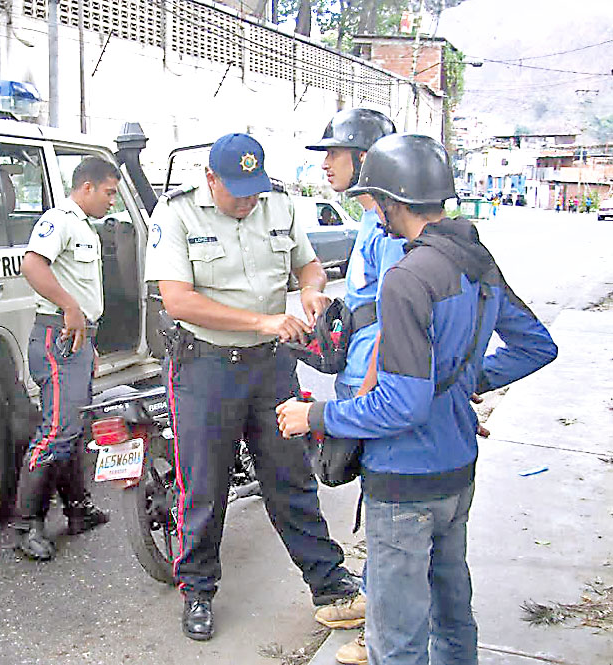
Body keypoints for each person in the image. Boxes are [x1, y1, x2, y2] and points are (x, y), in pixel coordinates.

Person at [277, 134, 557, 665]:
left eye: (375, 197)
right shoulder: (476, 260)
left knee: (398, 640)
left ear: (392, 201)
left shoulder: (405, 278)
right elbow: (536, 346)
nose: (373, 208)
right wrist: (465, 379)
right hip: (457, 472)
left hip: (406, 485)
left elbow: (401, 405)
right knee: (452, 620)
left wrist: (313, 413)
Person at [145, 132, 359, 642]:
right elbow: (177, 300)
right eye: (236, 190)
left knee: (291, 479)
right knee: (204, 487)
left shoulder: (278, 204)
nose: (247, 202)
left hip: (270, 369)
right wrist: (260, 322)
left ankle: (331, 587)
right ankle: (197, 590)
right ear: (210, 179)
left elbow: (306, 264)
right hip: (204, 369)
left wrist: (311, 291)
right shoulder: (175, 215)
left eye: (253, 190)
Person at [304, 108, 403, 663]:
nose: (324, 165)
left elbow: (395, 321)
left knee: (386, 511)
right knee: (373, 498)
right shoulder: (369, 222)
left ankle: (385, 629)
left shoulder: (390, 229)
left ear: (364, 159)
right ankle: (372, 598)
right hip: (357, 380)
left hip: (375, 390)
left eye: (334, 154)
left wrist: (366, 393)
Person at [12, 157, 120, 561]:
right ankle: (27, 524)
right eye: (109, 192)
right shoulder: (59, 220)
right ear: (87, 187)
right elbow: (32, 264)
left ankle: (78, 509)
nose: (112, 201)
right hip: (59, 336)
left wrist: (89, 343)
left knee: (73, 427)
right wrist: (69, 307)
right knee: (56, 430)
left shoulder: (83, 226)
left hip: (78, 341)